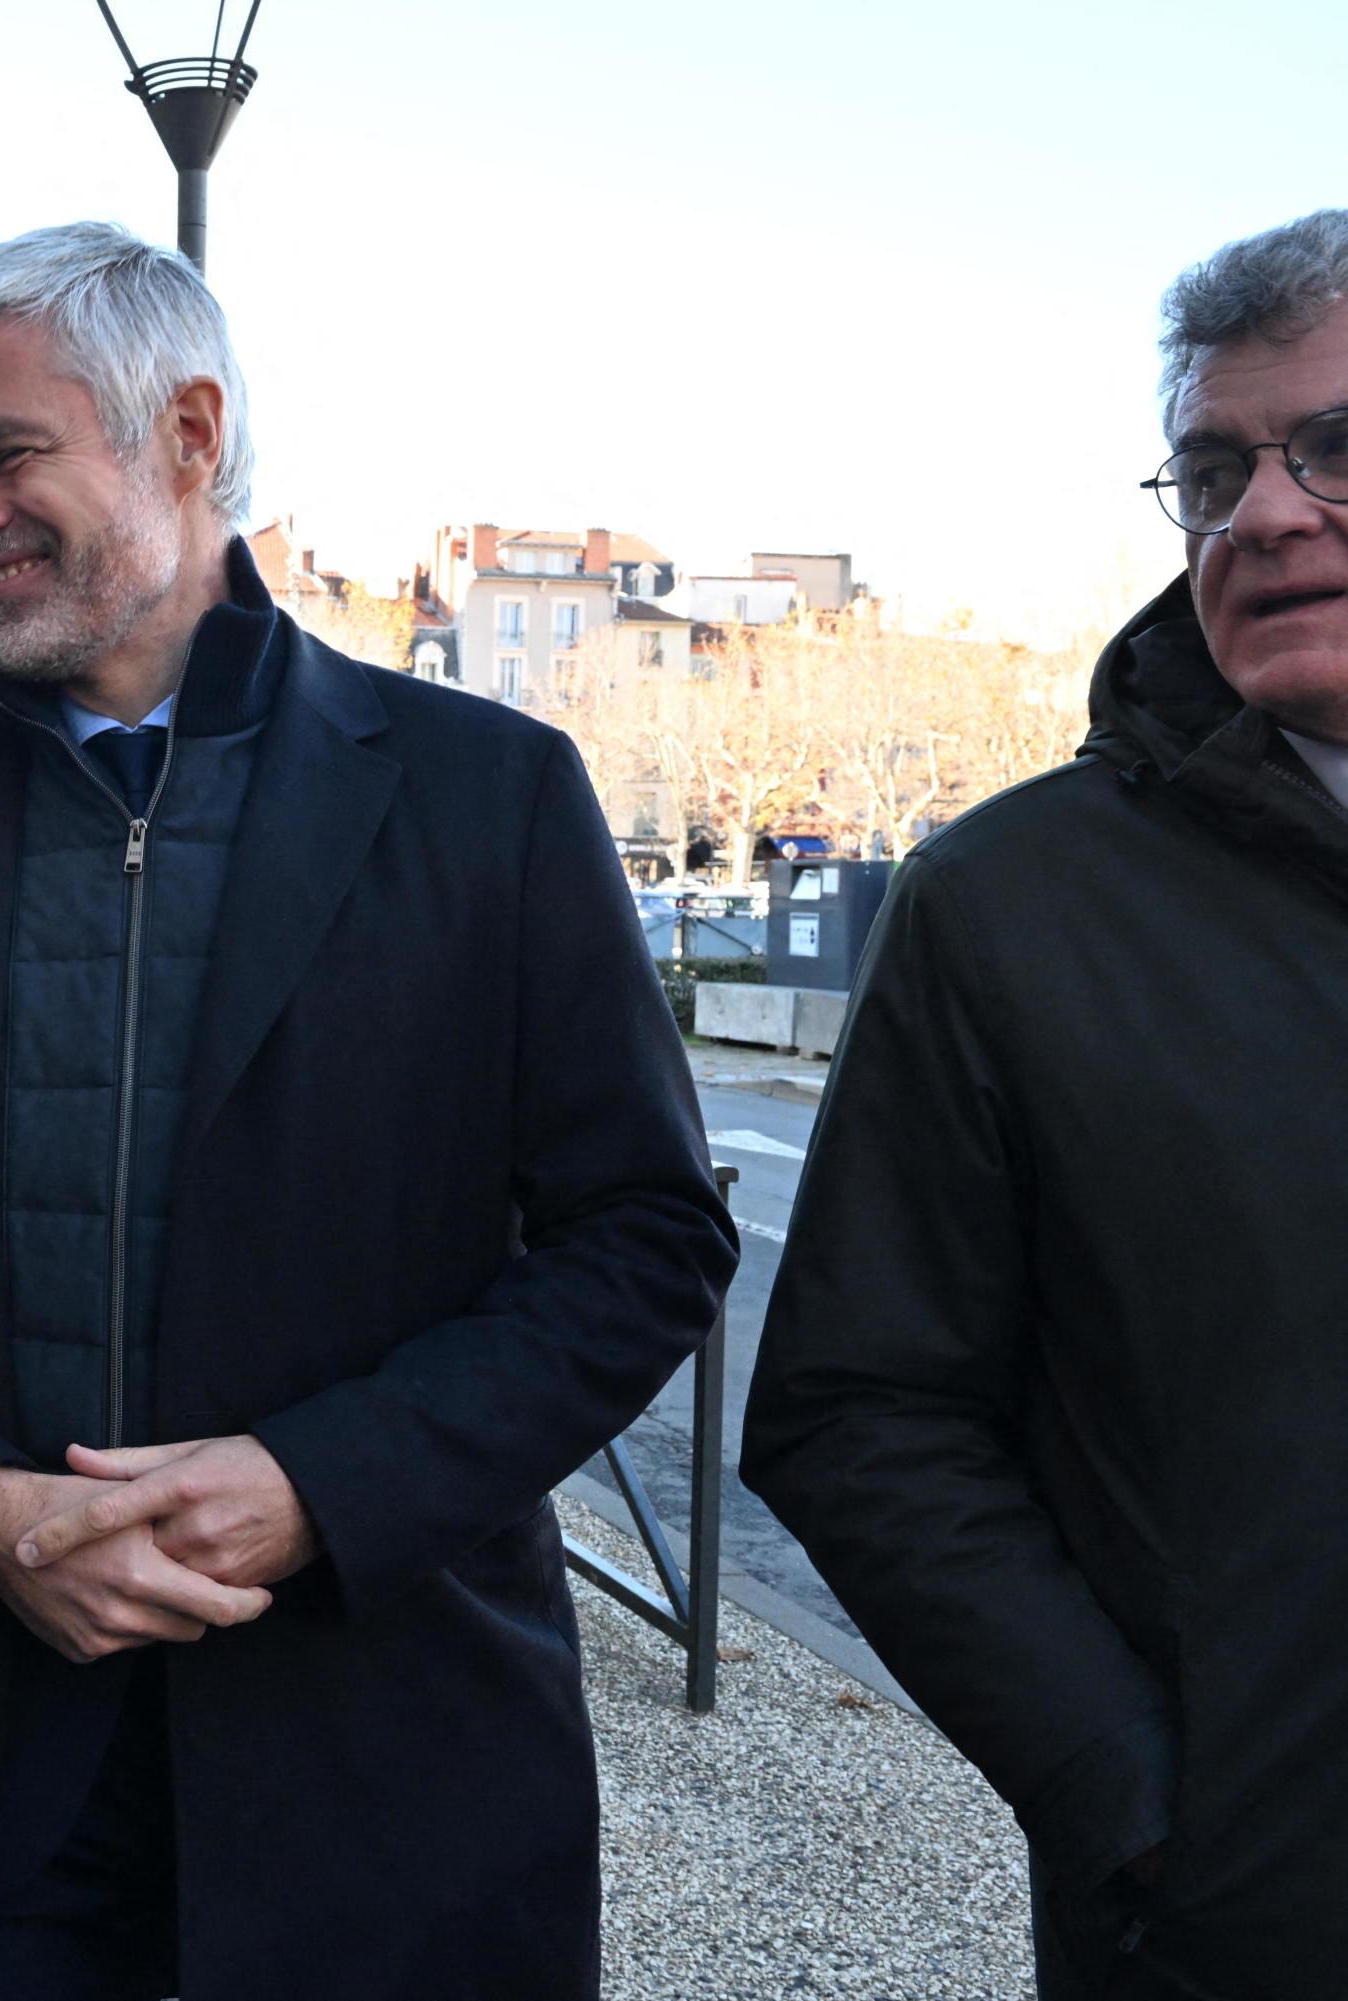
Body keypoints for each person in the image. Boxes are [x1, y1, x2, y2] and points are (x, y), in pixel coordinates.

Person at [0, 221, 737, 2000]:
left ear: (186, 431)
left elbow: (642, 1241)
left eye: (9, 453)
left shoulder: (487, 799)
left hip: (376, 1747)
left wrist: (321, 1486)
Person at [741, 211, 1348, 2001]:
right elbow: (858, 1415)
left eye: (1338, 447)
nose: (1270, 511)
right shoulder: (1007, 907)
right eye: (1215, 467)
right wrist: (1158, 1815)